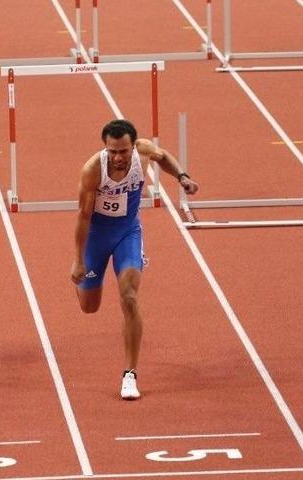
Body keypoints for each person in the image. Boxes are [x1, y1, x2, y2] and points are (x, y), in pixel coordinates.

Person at [71, 119, 199, 400]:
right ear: (106, 148)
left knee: (129, 297)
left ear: (133, 146)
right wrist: (78, 261)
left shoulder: (143, 152)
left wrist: (182, 177)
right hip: (97, 235)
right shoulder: (93, 170)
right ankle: (86, 280)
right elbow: (82, 217)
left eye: (123, 151)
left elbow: (164, 157)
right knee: (89, 307)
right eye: (113, 151)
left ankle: (130, 374)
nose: (118, 157)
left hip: (128, 232)